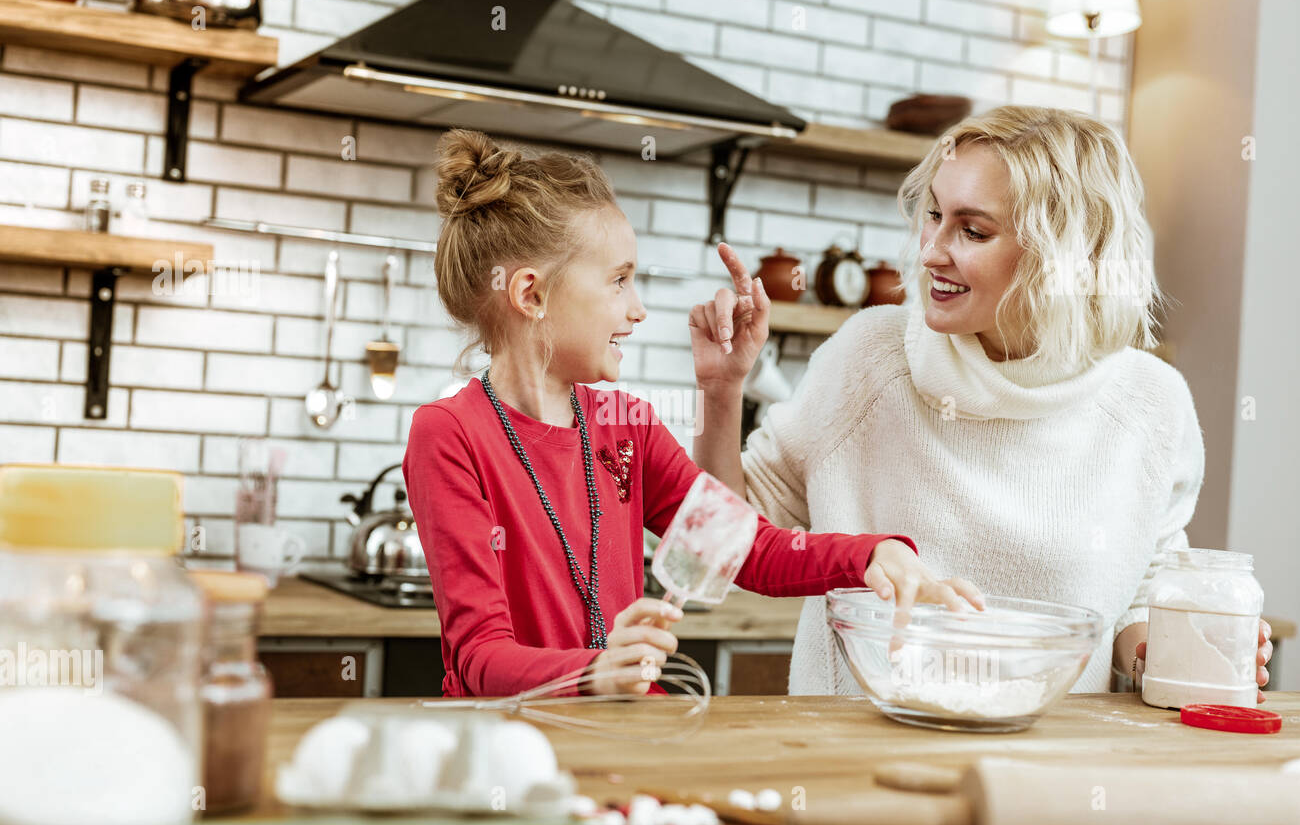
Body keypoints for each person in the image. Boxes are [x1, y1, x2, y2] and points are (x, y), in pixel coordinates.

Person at [689, 105, 1274, 698]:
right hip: (856, 761)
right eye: (934, 216)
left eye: (972, 231)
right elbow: (723, 545)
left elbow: (1136, 599)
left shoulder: (1151, 403)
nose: (930, 253)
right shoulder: (871, 358)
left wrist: (1172, 652)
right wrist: (721, 391)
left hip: (1045, 773)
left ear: (1062, 254)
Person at [403, 129, 985, 699]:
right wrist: (594, 674)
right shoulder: (450, 434)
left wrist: (871, 554)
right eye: (619, 281)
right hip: (513, 749)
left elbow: (746, 550)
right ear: (531, 295)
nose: (638, 309)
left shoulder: (625, 425)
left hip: (624, 730)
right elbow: (479, 658)